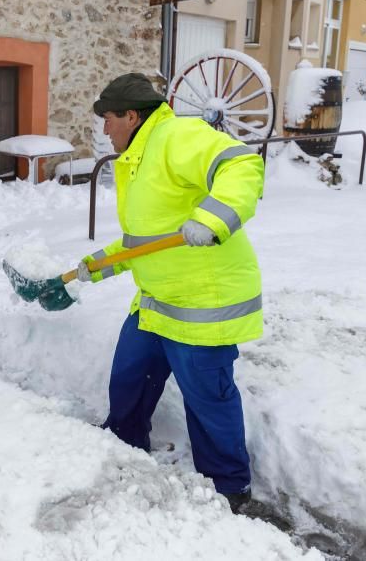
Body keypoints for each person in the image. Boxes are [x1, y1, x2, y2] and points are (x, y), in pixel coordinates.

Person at [77, 73, 265, 514]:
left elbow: (241, 164)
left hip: (202, 304)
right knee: (128, 380)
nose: (105, 130)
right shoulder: (137, 157)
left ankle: (229, 489)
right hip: (156, 302)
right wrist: (98, 266)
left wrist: (214, 218)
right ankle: (124, 445)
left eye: (109, 119)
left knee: (207, 402)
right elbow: (145, 240)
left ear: (131, 115)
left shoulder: (177, 135)